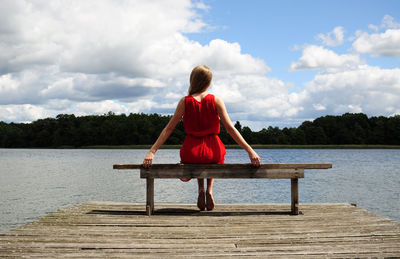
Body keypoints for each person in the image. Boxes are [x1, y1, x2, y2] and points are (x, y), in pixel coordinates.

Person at [143, 65, 261, 211]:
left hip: (191, 150)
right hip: (213, 149)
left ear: (192, 80)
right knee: (214, 158)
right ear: (208, 82)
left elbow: (168, 129)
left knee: (197, 159)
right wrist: (250, 151)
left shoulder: (185, 102)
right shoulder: (216, 100)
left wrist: (152, 152)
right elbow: (231, 128)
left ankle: (200, 189)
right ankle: (209, 190)